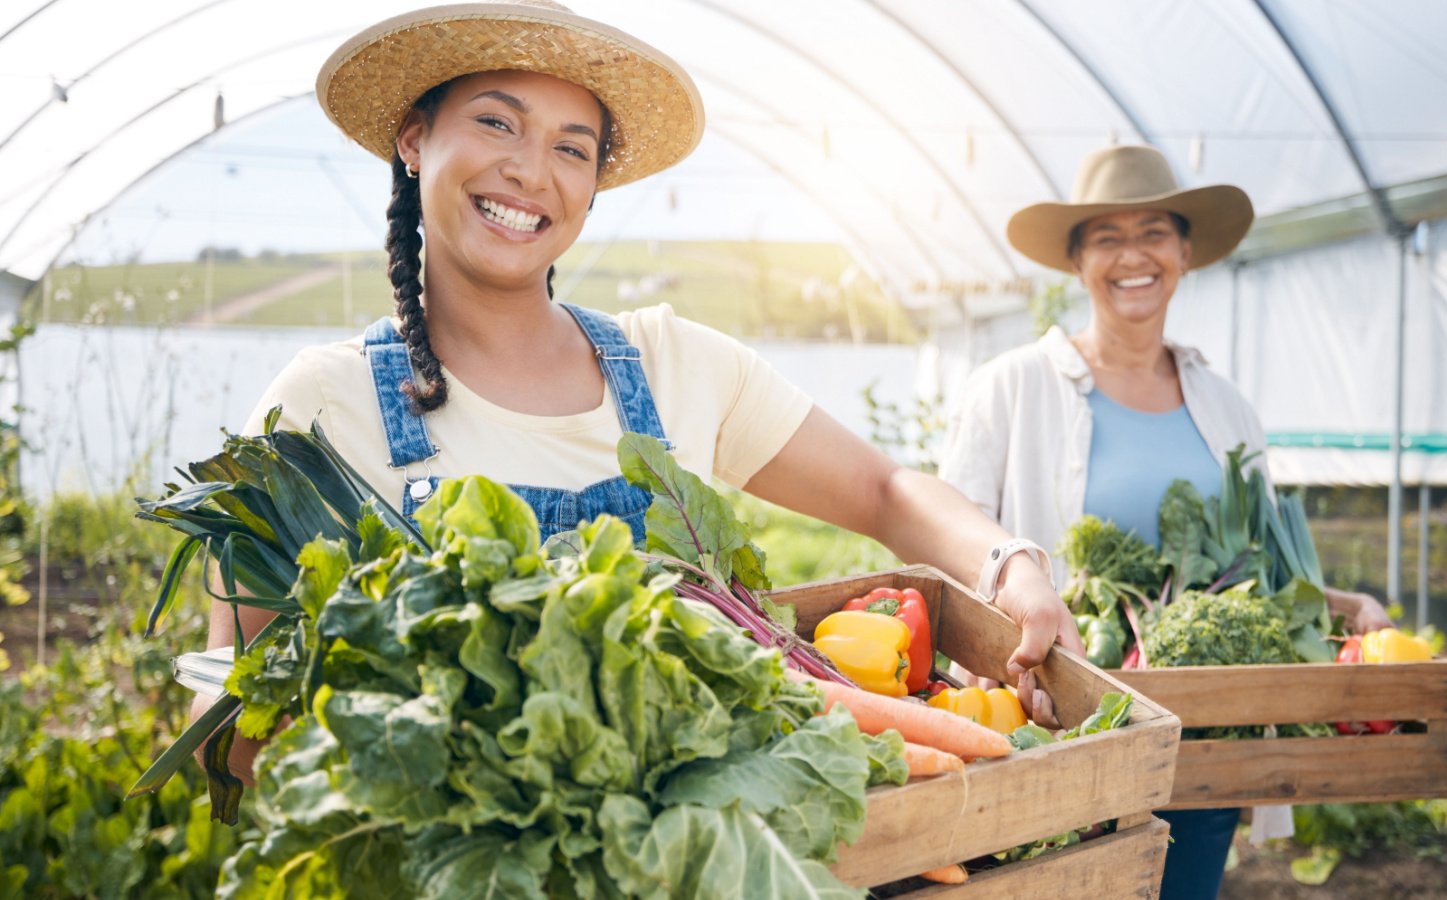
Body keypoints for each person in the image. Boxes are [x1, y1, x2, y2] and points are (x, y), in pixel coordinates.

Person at [194, 0, 1083, 782]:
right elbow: (227, 709)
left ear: (591, 187)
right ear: (416, 138)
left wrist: (1010, 564)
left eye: (570, 148)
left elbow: (888, 491)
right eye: (497, 124)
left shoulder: (674, 366)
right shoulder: (321, 406)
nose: (530, 172)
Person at [939, 144, 1393, 900]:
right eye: (1107, 238)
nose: (1133, 256)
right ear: (1078, 262)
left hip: (1202, 742)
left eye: (1153, 232)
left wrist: (1347, 608)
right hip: (1054, 731)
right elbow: (950, 542)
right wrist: (1004, 652)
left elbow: (1261, 573)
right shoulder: (1013, 388)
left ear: (1184, 252)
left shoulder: (1226, 407)